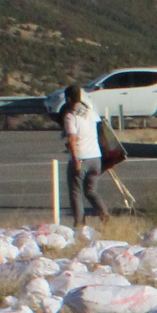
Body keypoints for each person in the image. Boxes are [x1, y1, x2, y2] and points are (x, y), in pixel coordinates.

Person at [59, 84, 105, 223]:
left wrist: (75, 159)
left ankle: (79, 224)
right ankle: (104, 214)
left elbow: (72, 138)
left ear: (68, 99)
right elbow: (102, 132)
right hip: (96, 157)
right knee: (91, 191)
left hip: (82, 157)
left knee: (76, 193)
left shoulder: (70, 117)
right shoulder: (91, 113)